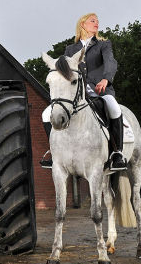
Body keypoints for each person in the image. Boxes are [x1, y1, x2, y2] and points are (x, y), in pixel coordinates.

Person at [41, 13, 127, 171]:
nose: (97, 23)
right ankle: (54, 152)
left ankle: (117, 152)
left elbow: (110, 62)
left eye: (98, 21)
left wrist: (106, 79)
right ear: (82, 24)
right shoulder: (70, 49)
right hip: (76, 93)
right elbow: (63, 72)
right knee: (46, 114)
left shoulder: (103, 44)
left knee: (114, 107)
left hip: (99, 90)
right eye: (92, 21)